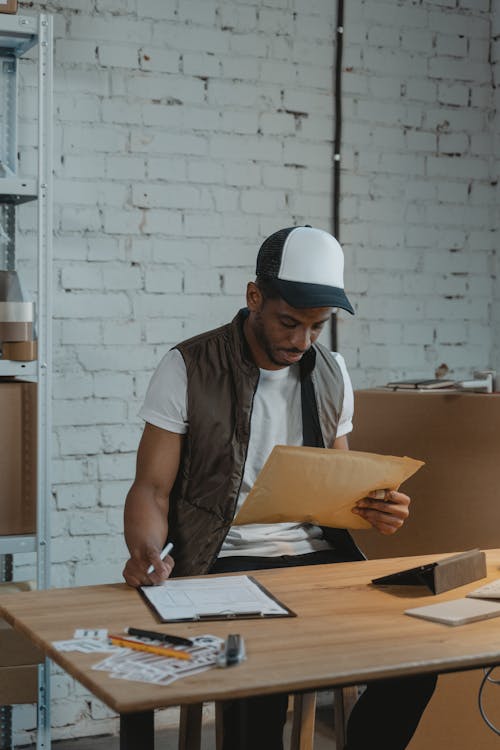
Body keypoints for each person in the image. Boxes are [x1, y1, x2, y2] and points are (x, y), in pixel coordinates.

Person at [123, 225, 436, 750]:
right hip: (223, 559)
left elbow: (339, 486)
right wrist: (148, 549)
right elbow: (152, 488)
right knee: (258, 673)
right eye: (289, 322)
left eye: (318, 326)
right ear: (254, 298)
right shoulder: (188, 366)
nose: (301, 341)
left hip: (318, 557)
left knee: (417, 653)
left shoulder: (332, 371)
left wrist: (374, 509)